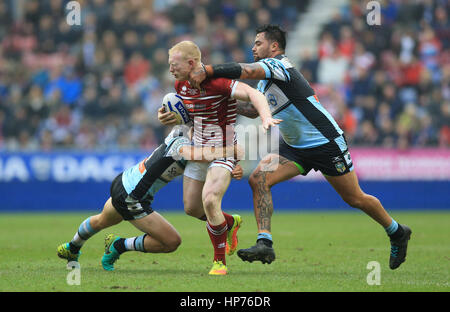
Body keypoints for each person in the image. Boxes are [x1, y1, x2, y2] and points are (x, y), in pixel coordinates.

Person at [189, 24, 412, 270]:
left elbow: (245, 70)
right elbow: (253, 110)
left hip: (325, 143)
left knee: (355, 198)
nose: (253, 47)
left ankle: (396, 231)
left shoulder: (279, 66)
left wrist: (208, 71)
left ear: (274, 46)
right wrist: (218, 102)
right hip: (295, 148)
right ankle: (265, 242)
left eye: (258, 43)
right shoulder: (265, 83)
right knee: (259, 178)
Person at [158, 40, 281, 275]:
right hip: (199, 150)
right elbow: (188, 115)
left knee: (210, 200)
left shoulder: (219, 82)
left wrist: (265, 117)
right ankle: (229, 223)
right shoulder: (180, 85)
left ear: (191, 63)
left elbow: (252, 93)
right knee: (192, 208)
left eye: (174, 64)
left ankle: (219, 262)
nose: (171, 69)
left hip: (224, 151)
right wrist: (166, 116)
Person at [57, 126, 244, 271]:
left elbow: (209, 161)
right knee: (172, 242)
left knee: (101, 220)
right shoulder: (182, 142)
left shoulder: (181, 133)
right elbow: (196, 155)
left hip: (125, 182)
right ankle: (118, 245)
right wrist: (231, 152)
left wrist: (232, 166)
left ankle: (72, 247)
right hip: (133, 197)